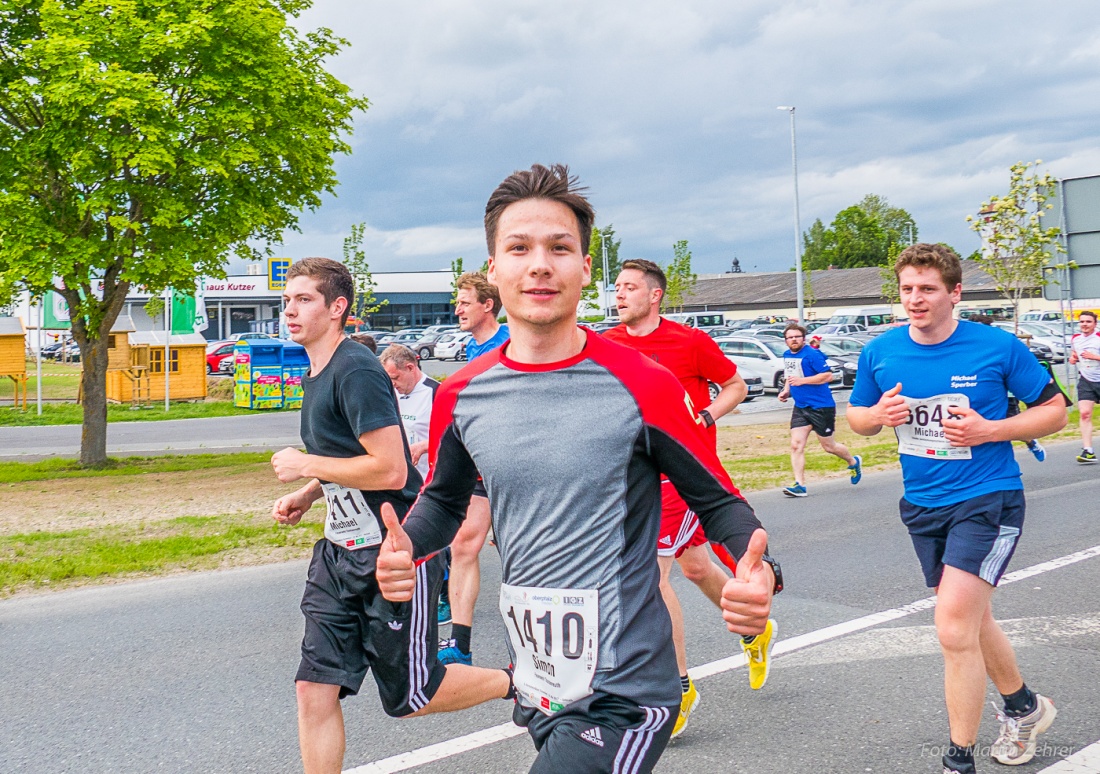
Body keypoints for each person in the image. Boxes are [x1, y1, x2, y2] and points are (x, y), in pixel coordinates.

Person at [376, 164, 778, 773]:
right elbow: (445, 501)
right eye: (519, 248)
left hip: (627, 686)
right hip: (540, 675)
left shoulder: (643, 385)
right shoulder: (461, 393)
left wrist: (760, 570)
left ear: (585, 269)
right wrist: (408, 545)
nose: (540, 264)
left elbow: (718, 502)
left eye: (560, 248)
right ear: (493, 268)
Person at [270, 258, 509, 774]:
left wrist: (305, 463)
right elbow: (351, 453)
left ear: (337, 308)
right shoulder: (317, 373)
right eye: (287, 300)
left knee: (413, 695)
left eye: (304, 299)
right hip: (338, 553)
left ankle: (524, 685)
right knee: (313, 688)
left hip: (395, 549)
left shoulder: (355, 368)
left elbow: (390, 465)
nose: (290, 310)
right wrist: (312, 492)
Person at [846, 244, 1068, 774]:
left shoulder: (996, 347)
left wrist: (992, 430)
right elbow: (855, 417)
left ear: (955, 293)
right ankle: (1024, 708)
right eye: (907, 289)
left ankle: (957, 761)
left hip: (988, 498)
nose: (915, 299)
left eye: (927, 289)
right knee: (971, 618)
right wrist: (877, 414)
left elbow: (1055, 412)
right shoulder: (882, 352)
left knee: (951, 626)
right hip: (922, 503)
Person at [604, 259, 777, 738]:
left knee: (652, 576)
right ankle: (756, 626)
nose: (619, 296)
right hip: (635, 478)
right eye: (616, 288)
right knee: (697, 567)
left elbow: (736, 385)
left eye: (630, 288)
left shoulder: (690, 341)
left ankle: (677, 689)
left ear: (654, 295)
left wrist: (704, 416)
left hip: (683, 477)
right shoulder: (608, 345)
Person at [437, 271, 511, 664]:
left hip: (513, 467)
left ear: (488, 305)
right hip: (478, 464)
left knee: (523, 552)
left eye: (465, 302)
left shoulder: (511, 344)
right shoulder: (470, 349)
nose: (458, 309)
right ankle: (461, 646)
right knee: (463, 545)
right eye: (458, 302)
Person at [776, 323, 862, 497]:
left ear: (803, 338)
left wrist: (803, 381)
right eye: (790, 337)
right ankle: (800, 485)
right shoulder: (787, 355)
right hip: (801, 407)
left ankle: (853, 462)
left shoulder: (812, 355)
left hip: (821, 407)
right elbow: (790, 375)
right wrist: (787, 390)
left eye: (797, 336)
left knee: (829, 446)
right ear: (785, 341)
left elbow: (828, 376)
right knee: (796, 445)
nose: (794, 339)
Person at [971, 316, 1045, 462]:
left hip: (1008, 395)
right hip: (979, 397)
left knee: (1011, 424)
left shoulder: (1002, 344)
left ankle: (1031, 441)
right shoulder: (966, 348)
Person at [1069, 310, 1100, 464]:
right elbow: (1075, 353)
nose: (1085, 324)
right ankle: (1088, 451)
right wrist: (1073, 358)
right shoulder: (1075, 339)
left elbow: (1092, 356)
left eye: (1088, 322)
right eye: (1082, 322)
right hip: (1087, 380)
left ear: (1095, 323)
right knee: (1085, 414)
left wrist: (1095, 357)